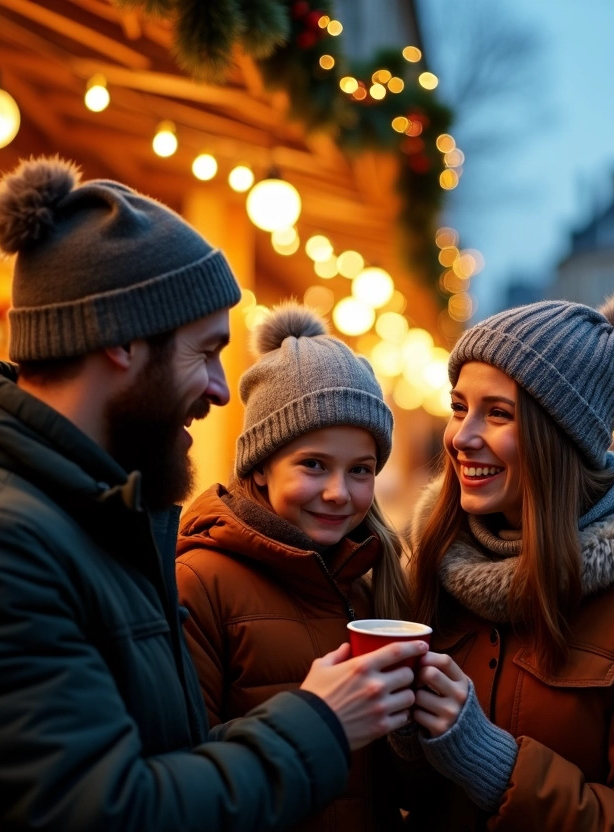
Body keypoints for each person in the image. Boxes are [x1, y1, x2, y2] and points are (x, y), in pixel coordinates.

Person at [0, 158, 425, 830]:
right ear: (120, 341)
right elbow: (109, 812)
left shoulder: (82, 514)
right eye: (204, 352)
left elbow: (162, 756)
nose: (217, 388)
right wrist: (320, 722)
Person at [400, 296, 614, 831]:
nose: (462, 437)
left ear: (561, 440)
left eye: (498, 413)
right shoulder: (428, 570)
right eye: (459, 407)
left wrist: (496, 767)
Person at [175, 304, 410, 832]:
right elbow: (183, 769)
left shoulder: (371, 578)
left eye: (361, 471)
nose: (337, 493)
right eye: (313, 465)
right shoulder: (200, 581)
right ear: (260, 465)